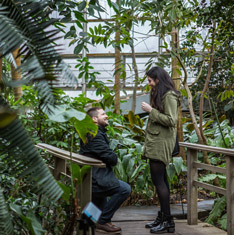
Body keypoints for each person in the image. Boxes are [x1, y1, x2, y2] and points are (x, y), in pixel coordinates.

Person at [141, 66, 181, 234]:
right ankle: (165, 219)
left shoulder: (169, 95)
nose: (149, 84)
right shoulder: (160, 94)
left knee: (159, 181)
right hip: (156, 142)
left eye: (150, 80)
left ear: (158, 79)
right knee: (160, 181)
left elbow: (172, 120)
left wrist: (151, 111)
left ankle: (167, 220)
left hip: (160, 144)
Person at [80, 107, 131, 234]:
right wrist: (113, 157)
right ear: (94, 119)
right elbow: (111, 158)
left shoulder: (94, 131)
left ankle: (87, 223)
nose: (106, 116)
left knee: (100, 198)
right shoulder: (94, 134)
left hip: (93, 175)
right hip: (95, 177)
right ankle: (102, 221)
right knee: (124, 189)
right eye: (103, 114)